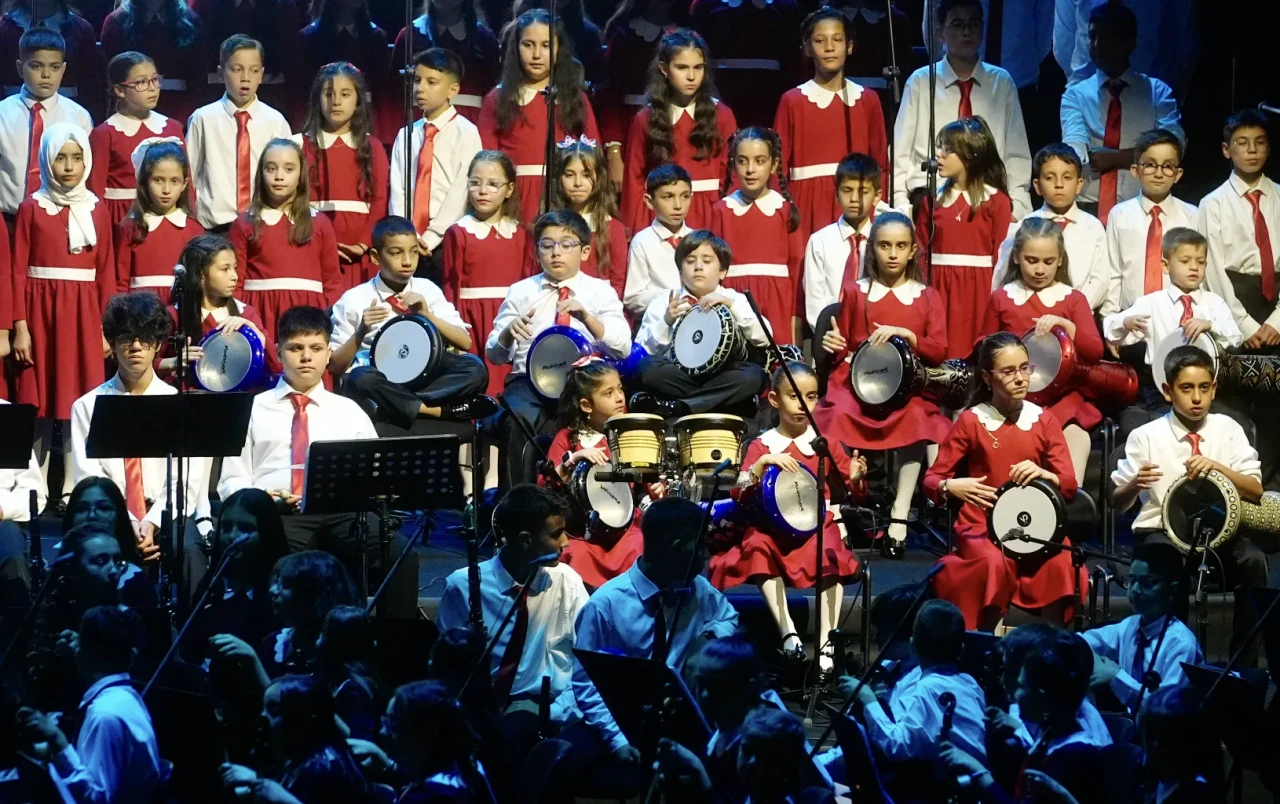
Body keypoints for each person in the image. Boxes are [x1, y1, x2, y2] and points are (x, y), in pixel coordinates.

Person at [218, 306, 420, 618]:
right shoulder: (253, 409)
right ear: (278, 352)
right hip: (278, 516)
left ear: (328, 354)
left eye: (315, 349)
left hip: (340, 513)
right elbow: (232, 479)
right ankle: (274, 644)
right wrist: (260, 501)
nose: (306, 358)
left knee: (399, 551)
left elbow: (376, 474)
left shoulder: (349, 411)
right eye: (295, 348)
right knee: (267, 552)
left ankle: (391, 645)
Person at [1111, 345, 1268, 663]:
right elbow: (1118, 503)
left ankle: (1243, 664)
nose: (1196, 398)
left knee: (1253, 561)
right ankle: (1173, 663)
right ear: (1168, 391)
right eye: (1186, 388)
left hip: (1219, 533)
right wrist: (1133, 484)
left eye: (1204, 388)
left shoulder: (1228, 429)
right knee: (1170, 567)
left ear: (1214, 389)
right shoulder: (1146, 436)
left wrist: (1216, 466)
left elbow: (1254, 491)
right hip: (1162, 534)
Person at [924, 332, 1086, 631]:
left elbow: (1069, 485)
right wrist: (952, 486)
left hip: (1033, 525)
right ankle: (987, 646)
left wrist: (1046, 475)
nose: (1021, 378)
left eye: (1025, 368)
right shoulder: (973, 421)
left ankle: (1052, 649)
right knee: (993, 563)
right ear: (987, 377)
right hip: (981, 526)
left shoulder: (1043, 420)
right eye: (1009, 371)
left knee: (1062, 560)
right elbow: (932, 479)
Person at [710, 362, 864, 671]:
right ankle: (788, 634)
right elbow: (738, 493)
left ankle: (826, 647)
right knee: (756, 546)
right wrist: (760, 464)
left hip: (814, 525)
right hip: (772, 529)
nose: (803, 405)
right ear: (774, 399)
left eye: (811, 396)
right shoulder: (762, 444)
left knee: (829, 547)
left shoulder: (825, 443)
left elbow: (855, 492)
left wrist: (857, 478)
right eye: (794, 396)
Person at [816, 210, 949, 557]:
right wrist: (834, 345)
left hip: (907, 386)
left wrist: (910, 335)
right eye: (885, 246)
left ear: (912, 251)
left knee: (919, 416)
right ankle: (847, 501)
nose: (892, 253)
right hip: (861, 381)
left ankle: (900, 514)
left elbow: (939, 349)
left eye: (900, 246)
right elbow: (846, 343)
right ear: (872, 249)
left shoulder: (926, 296)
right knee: (835, 413)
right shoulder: (856, 291)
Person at [573, 496, 739, 772]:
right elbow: (584, 682)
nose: (706, 558)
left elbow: (728, 617)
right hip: (624, 721)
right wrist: (616, 740)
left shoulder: (698, 589)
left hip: (680, 719)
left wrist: (707, 639)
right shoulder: (606, 605)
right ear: (676, 549)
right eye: (700, 549)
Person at [70, 291, 208, 593]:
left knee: (190, 551)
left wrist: (153, 521)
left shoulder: (178, 404)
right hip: (112, 513)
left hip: (166, 512)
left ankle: (194, 634)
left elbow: (186, 480)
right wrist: (128, 520)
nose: (134, 347)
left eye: (144, 338)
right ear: (112, 344)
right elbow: (89, 477)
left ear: (157, 345)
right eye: (125, 338)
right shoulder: (87, 405)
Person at [436, 484, 589, 753]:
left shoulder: (566, 580)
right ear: (525, 539)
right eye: (556, 534)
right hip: (481, 704)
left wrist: (553, 713)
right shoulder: (463, 586)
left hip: (538, 703)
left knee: (510, 739)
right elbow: (449, 668)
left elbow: (588, 659)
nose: (566, 542)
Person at [485, 209, 631, 490]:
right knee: (517, 419)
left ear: (585, 251)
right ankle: (517, 505)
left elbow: (622, 347)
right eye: (547, 245)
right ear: (537, 251)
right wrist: (506, 333)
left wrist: (587, 318)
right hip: (528, 383)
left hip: (582, 384)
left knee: (598, 410)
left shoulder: (599, 291)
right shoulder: (521, 291)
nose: (556, 253)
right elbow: (494, 354)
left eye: (566, 245)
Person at [11, 123, 113, 506]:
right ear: (46, 160)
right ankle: (33, 482)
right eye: (60, 157)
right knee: (38, 400)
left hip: (82, 312)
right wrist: (20, 327)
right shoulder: (31, 208)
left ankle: (73, 482)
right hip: (40, 312)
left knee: (77, 397)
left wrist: (104, 329)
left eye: (76, 158)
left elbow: (106, 272)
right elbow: (17, 271)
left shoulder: (96, 209)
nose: (69, 166)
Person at [330, 215, 490, 425]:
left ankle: (396, 405)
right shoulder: (354, 299)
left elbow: (465, 342)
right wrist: (360, 332)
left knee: (475, 368)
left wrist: (427, 315)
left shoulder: (427, 289)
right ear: (376, 257)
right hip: (381, 378)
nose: (407, 261)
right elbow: (334, 366)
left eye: (414, 252)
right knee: (360, 378)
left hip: (425, 378)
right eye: (396, 253)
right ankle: (434, 411)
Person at [982, 217, 1102, 484]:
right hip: (1012, 398)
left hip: (1061, 398)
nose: (1039, 270)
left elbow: (1094, 351)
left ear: (1060, 260)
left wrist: (1067, 326)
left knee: (1075, 433)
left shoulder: (1071, 298)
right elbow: (984, 345)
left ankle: (1070, 500)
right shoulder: (1003, 297)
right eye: (1031, 260)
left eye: (1048, 262)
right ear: (1016, 257)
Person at [893, 0, 1031, 217]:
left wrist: (1018, 206)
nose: (967, 31)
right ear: (940, 32)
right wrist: (901, 204)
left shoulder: (1001, 82)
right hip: (931, 196)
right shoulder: (921, 81)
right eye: (957, 24)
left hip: (987, 196)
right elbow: (900, 150)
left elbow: (1016, 152)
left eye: (974, 24)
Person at [17, 605, 164, 804]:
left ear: (82, 652)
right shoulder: (125, 698)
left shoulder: (105, 714)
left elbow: (97, 799)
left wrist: (56, 737)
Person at [841, 599, 986, 798]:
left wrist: (869, 701)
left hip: (953, 792)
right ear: (961, 649)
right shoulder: (971, 684)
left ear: (912, 646)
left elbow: (897, 746)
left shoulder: (926, 688)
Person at [1058, 3, 1183, 225]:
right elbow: (1076, 150)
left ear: (1130, 43)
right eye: (1092, 36)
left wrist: (1114, 157)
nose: (1097, 45)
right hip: (1088, 206)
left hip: (1142, 204)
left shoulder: (1157, 92)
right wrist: (1142, 155)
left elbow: (1174, 146)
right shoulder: (1075, 95)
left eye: (1107, 37)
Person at [629, 230, 770, 418]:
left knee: (752, 375)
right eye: (690, 261)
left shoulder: (735, 299)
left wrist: (732, 307)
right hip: (680, 375)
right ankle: (724, 403)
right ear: (680, 271)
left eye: (707, 260)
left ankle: (679, 407)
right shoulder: (665, 301)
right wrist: (666, 321)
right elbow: (642, 352)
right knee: (647, 369)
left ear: (722, 271)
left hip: (723, 375)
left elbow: (766, 338)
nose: (698, 267)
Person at [478, 8, 600, 224]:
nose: (536, 55)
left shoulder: (574, 98)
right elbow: (486, 159)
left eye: (546, 46)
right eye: (528, 45)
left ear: (558, 49)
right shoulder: (498, 98)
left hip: (563, 195)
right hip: (514, 199)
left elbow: (592, 152)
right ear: (516, 48)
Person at [775, 8, 888, 240]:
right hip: (805, 206)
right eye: (819, 40)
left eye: (837, 39)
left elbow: (880, 164)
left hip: (856, 202)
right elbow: (778, 168)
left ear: (849, 46)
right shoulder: (793, 100)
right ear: (807, 48)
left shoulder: (867, 99)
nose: (829, 47)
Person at [916, 116, 1016, 359]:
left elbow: (1001, 257)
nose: (938, 155)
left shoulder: (996, 202)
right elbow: (920, 252)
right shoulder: (932, 202)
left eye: (948, 150)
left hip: (979, 291)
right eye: (939, 147)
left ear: (970, 155)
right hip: (938, 289)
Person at [618, 28, 736, 233]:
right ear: (664, 69)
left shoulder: (722, 115)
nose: (691, 76)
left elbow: (732, 175)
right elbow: (634, 179)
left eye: (698, 68)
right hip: (662, 216)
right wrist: (634, 228)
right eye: (682, 67)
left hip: (710, 214)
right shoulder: (646, 118)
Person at [541, 361, 646, 587]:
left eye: (620, 389)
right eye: (608, 393)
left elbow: (645, 482)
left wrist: (654, 489)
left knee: (637, 546)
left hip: (625, 529)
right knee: (576, 555)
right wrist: (574, 458)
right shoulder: (569, 439)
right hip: (582, 530)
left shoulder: (630, 436)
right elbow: (545, 483)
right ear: (587, 405)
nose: (619, 397)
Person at [229, 138, 342, 343]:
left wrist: (323, 320)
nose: (279, 176)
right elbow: (235, 282)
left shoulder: (320, 222)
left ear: (301, 176)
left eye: (289, 169)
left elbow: (332, 281)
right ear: (260, 173)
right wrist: (244, 318)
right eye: (271, 169)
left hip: (307, 316)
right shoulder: (245, 223)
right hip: (259, 315)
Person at [440, 150, 533, 398]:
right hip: (473, 319)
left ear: (509, 189)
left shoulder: (521, 234)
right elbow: (452, 289)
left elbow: (527, 282)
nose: (482, 191)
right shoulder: (459, 232)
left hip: (507, 317)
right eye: (475, 183)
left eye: (493, 185)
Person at [388, 47, 482, 278]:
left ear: (453, 90)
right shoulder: (407, 133)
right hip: (409, 240)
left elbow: (461, 189)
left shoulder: (466, 132)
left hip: (445, 237)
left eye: (432, 82)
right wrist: (406, 232)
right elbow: (398, 187)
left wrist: (432, 236)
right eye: (417, 80)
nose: (420, 88)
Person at [186, 35, 292, 233]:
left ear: (261, 75)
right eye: (236, 69)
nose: (245, 78)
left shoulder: (275, 121)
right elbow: (189, 173)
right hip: (214, 227)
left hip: (262, 225)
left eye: (253, 71)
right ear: (220, 73)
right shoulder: (203, 119)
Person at [710, 126, 804, 346]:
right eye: (742, 161)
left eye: (759, 161)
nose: (750, 169)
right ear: (733, 165)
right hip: (735, 296)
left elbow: (796, 266)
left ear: (774, 165)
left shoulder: (785, 210)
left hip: (778, 300)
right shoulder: (723, 210)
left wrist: (794, 318)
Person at [301, 60, 390, 291]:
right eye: (329, 94)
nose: (336, 102)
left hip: (360, 250)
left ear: (358, 99)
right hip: (314, 245)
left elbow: (380, 200)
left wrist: (362, 244)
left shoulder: (372, 146)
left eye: (345, 94)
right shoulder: (301, 145)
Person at [1103, 228, 1241, 376]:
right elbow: (1111, 328)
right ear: (1165, 265)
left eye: (1200, 262)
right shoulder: (1151, 303)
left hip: (1204, 383)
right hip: (1160, 383)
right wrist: (1126, 322)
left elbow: (1236, 338)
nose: (1194, 267)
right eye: (1185, 261)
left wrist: (1210, 326)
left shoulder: (1214, 303)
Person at [1083, 542, 1202, 711]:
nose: (1135, 590)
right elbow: (1084, 641)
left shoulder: (1181, 644)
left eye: (1148, 582)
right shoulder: (1130, 625)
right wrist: (1090, 658)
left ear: (1172, 590)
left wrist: (1115, 677)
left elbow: (1165, 709)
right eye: (1132, 579)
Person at [219, 674, 370, 802]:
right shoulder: (299, 758)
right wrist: (255, 785)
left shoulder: (321, 768)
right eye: (263, 709)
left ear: (305, 717)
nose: (263, 717)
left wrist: (275, 794)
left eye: (274, 710)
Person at [993, 143, 1109, 310]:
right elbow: (1002, 275)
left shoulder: (1093, 227)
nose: (1059, 184)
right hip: (1029, 314)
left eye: (1067, 177)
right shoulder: (1023, 227)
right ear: (1038, 186)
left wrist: (1075, 309)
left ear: (1079, 184)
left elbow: (1100, 279)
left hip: (1075, 315)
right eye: (1049, 178)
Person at [1099, 128, 1199, 318]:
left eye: (1168, 166)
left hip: (1179, 318)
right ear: (1136, 171)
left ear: (1178, 174)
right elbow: (1114, 272)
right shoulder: (1120, 215)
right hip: (1131, 317)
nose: (1159, 173)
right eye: (1150, 165)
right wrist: (1110, 320)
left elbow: (1200, 272)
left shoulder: (1192, 215)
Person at [1200, 109, 1278, 350]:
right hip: (1235, 300)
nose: (1252, 150)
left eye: (1259, 142)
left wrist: (1277, 321)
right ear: (1226, 150)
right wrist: (1242, 324)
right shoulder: (1213, 203)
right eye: (1242, 143)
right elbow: (1212, 268)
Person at [160, 232, 279, 388]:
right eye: (225, 269)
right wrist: (174, 362)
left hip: (236, 403)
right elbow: (147, 364)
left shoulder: (246, 313)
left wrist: (254, 331)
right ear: (201, 276)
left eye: (235, 268)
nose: (234, 276)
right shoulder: (174, 315)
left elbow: (276, 367)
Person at [0, 28, 92, 222]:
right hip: (8, 218)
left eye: (54, 67)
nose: (46, 74)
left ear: (63, 69)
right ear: (19, 68)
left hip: (60, 218)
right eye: (36, 66)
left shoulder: (78, 117)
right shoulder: (2, 114)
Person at [87, 52, 187, 228]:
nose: (152, 88)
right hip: (121, 217)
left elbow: (187, 180)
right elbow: (94, 190)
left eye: (155, 79)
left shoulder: (172, 127)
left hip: (166, 213)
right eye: (141, 82)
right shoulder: (104, 134)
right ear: (120, 90)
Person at [802, 152, 896, 334]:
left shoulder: (883, 241)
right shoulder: (820, 241)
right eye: (847, 190)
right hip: (831, 339)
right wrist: (828, 333)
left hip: (876, 337)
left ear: (877, 196)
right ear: (836, 194)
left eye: (862, 192)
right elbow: (815, 301)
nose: (854, 198)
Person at [598, 0, 690, 182]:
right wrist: (614, 154)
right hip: (631, 129)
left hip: (677, 130)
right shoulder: (624, 34)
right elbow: (610, 98)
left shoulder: (688, 33)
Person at [384, 0, 500, 134]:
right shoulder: (410, 35)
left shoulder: (484, 38)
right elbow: (395, 94)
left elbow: (492, 93)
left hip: (471, 123)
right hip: (421, 124)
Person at [687, 0, 799, 129]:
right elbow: (698, 54)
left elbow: (793, 61)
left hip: (769, 96)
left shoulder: (785, 7)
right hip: (720, 91)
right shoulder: (706, 5)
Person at [376, 680, 495, 802]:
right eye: (385, 721)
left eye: (393, 725)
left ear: (427, 734)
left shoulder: (429, 797)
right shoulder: (470, 768)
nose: (383, 732)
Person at [112, 139, 204, 296]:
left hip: (180, 308)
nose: (166, 190)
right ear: (145, 182)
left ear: (184, 184)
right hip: (141, 310)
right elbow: (121, 281)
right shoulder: (131, 227)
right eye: (158, 180)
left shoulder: (193, 228)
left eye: (174, 181)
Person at [99, 0, 208, 127]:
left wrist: (184, 119)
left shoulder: (190, 21)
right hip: (131, 111)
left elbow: (198, 78)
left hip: (180, 110)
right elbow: (112, 76)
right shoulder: (117, 21)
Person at [192, 0, 300, 115]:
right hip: (215, 95)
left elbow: (292, 61)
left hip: (274, 96)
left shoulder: (284, 7)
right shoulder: (206, 6)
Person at [292, 0, 389, 128]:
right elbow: (302, 88)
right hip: (320, 119)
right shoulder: (309, 38)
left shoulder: (376, 37)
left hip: (363, 118)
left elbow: (380, 88)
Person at [552, 137, 628, 300]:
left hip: (600, 307)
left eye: (586, 175)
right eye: (569, 175)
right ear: (558, 178)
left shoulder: (612, 227)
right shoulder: (549, 226)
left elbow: (618, 281)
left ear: (599, 178)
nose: (578, 183)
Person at [61, 477, 154, 608]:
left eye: (103, 508)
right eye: (82, 509)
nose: (92, 516)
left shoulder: (136, 582)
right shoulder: (54, 576)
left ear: (119, 516)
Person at [0, 2, 100, 120]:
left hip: (66, 116)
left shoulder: (81, 29)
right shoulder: (4, 29)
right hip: (12, 116)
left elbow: (92, 85)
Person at [622, 163, 695, 317]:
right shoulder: (642, 242)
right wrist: (674, 297)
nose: (678, 205)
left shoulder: (696, 239)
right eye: (668, 197)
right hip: (659, 324)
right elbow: (633, 297)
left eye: (685, 196)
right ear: (649, 201)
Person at [1139, 686, 1226, 803]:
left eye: (1166, 737)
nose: (1155, 745)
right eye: (1151, 734)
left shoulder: (1198, 796)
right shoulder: (1150, 780)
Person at [316, 605, 388, 742]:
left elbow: (359, 742)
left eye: (322, 634)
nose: (317, 641)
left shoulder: (354, 691)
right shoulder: (338, 683)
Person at [0, 398, 45, 604]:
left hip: (1, 520)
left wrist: (2, 510)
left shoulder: (8, 416)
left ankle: (19, 631)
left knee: (13, 559)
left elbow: (34, 492)